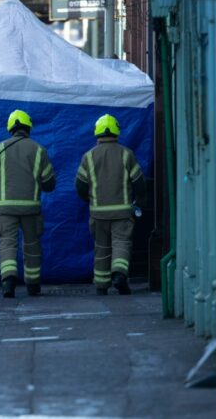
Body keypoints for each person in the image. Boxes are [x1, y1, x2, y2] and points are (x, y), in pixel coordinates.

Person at [0, 109, 56, 298]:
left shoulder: (0, 149)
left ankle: (8, 282)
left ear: (10, 128)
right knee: (32, 246)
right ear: (28, 128)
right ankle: (33, 286)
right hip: (31, 209)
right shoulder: (39, 150)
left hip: (5, 209)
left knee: (7, 244)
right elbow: (49, 184)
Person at [75, 114, 146, 296]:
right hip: (122, 213)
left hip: (98, 213)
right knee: (121, 243)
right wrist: (140, 202)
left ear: (97, 132)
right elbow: (139, 182)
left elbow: (80, 186)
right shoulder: (126, 154)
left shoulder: (88, 157)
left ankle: (101, 285)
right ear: (116, 131)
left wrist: (90, 200)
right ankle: (119, 275)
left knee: (101, 247)